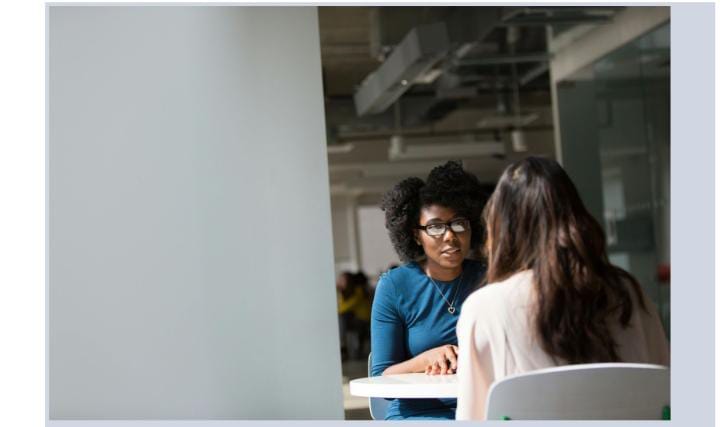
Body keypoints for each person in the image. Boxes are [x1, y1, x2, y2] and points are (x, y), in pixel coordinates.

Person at [455, 157, 670, 420]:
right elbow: (667, 393)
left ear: (503, 229)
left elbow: (471, 417)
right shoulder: (628, 292)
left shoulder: (485, 308)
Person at [371, 160, 489, 420]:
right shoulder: (395, 286)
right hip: (418, 415)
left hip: (483, 410)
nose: (450, 236)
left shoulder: (488, 279)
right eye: (435, 226)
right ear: (415, 235)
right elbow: (381, 379)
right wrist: (426, 360)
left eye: (459, 223)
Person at [338, 271, 372, 359]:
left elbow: (343, 308)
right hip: (356, 319)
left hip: (363, 320)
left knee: (341, 318)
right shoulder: (346, 292)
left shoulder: (359, 291)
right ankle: (343, 346)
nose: (339, 282)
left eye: (342, 280)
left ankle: (343, 346)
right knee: (341, 319)